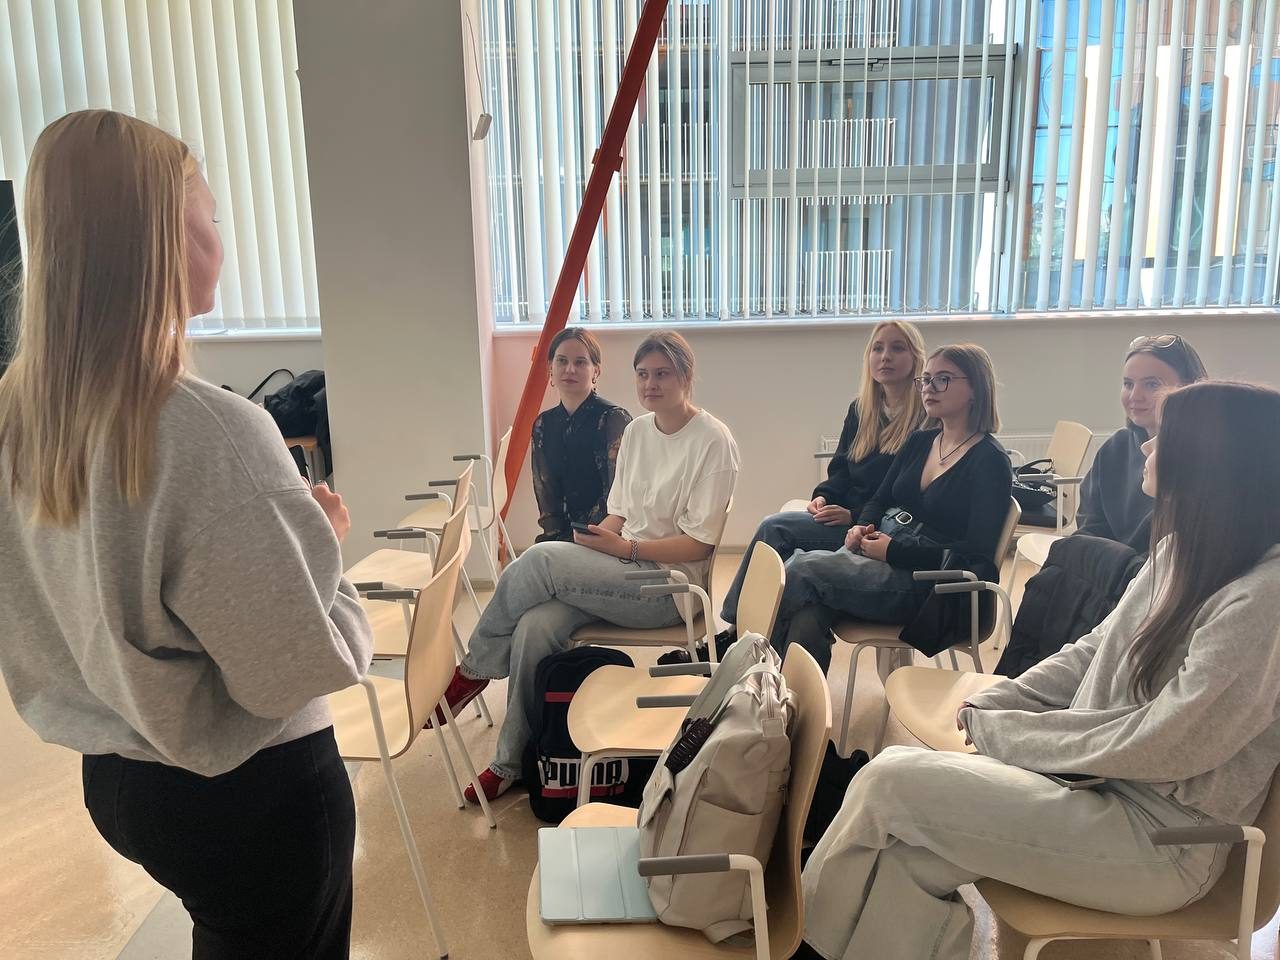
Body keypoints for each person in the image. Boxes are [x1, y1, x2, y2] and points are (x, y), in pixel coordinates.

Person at [0, 111, 372, 958]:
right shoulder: (211, 430)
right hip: (252, 794)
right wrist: (325, 555)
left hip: (118, 779)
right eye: (212, 216)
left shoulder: (19, 419)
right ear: (164, 240)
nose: (222, 241)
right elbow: (296, 669)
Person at [797, 380, 1280, 960]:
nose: (1146, 447)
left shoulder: (1262, 598)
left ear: (1211, 462)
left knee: (889, 779)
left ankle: (802, 945)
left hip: (1166, 840)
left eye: (1162, 437)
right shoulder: (1181, 552)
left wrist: (1015, 735)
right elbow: (1092, 651)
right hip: (1099, 788)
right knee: (903, 857)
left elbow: (1171, 740)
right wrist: (1001, 699)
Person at [437, 331, 739, 802]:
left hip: (670, 589)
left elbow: (699, 545)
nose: (650, 384)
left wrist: (625, 549)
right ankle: (511, 762)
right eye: (643, 374)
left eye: (662, 373)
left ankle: (474, 669)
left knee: (539, 560)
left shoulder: (713, 440)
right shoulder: (638, 431)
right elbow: (619, 511)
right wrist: (599, 541)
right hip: (622, 570)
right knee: (535, 625)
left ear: (686, 376)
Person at [770, 344, 1012, 674]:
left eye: (942, 379)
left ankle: (747, 663)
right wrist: (862, 526)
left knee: (801, 568)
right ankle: (788, 700)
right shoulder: (920, 441)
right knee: (807, 613)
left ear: (975, 388)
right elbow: (880, 499)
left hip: (930, 583)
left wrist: (894, 552)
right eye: (926, 379)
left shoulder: (990, 461)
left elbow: (977, 554)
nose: (929, 388)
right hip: (884, 545)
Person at [716, 320, 925, 632]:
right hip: (848, 519)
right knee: (774, 528)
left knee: (791, 552)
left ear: (916, 359)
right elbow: (840, 469)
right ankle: (737, 625)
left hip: (878, 529)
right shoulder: (861, 410)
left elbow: (905, 498)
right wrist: (824, 497)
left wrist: (853, 514)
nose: (885, 357)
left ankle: (743, 633)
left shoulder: (925, 419)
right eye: (878, 348)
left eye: (897, 348)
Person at [1076, 334, 1207, 549]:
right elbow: (1089, 526)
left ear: (1189, 388)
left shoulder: (1201, 459)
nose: (1135, 396)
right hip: (1107, 564)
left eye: (1152, 384)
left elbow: (1176, 553)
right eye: (1128, 384)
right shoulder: (1115, 448)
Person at [531, 327, 632, 542]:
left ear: (596, 371)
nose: (570, 369)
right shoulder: (543, 424)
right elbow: (547, 498)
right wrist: (554, 541)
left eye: (580, 362)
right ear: (550, 368)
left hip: (607, 537)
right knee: (530, 560)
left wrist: (580, 541)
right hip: (562, 538)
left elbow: (618, 498)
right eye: (562, 361)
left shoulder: (613, 419)